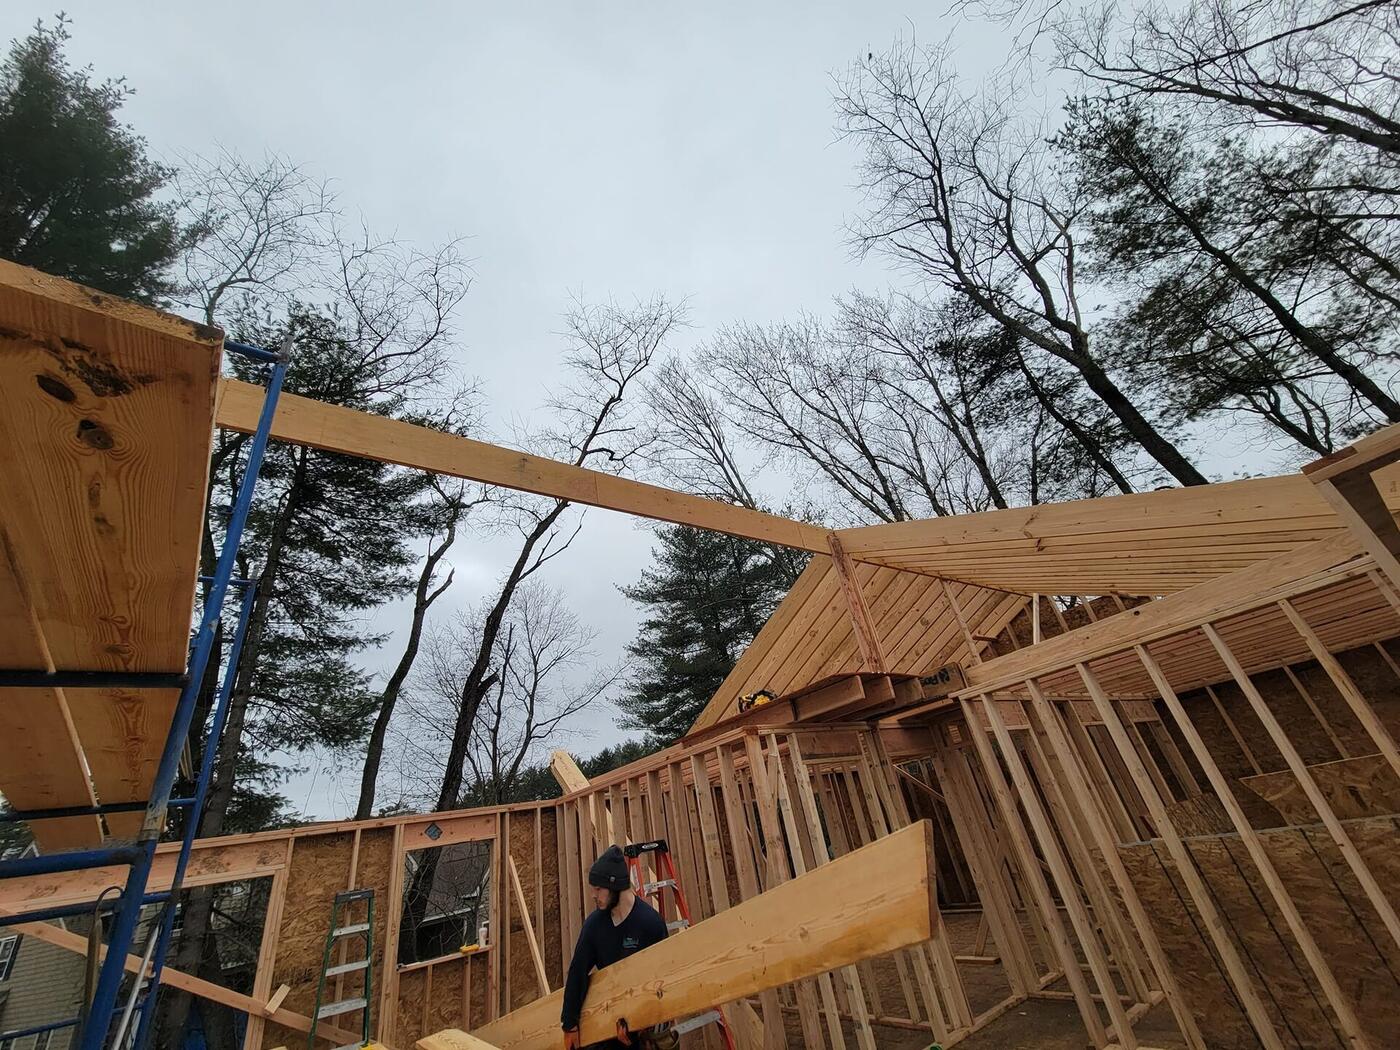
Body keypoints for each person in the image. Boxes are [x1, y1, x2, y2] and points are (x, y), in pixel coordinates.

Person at [561, 844, 671, 1049]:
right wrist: (570, 1025)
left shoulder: (650, 924)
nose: (594, 895)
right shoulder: (595, 925)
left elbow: (661, 982)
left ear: (616, 886)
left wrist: (638, 1022)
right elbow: (577, 972)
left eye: (598, 889)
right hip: (606, 1022)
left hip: (642, 1024)